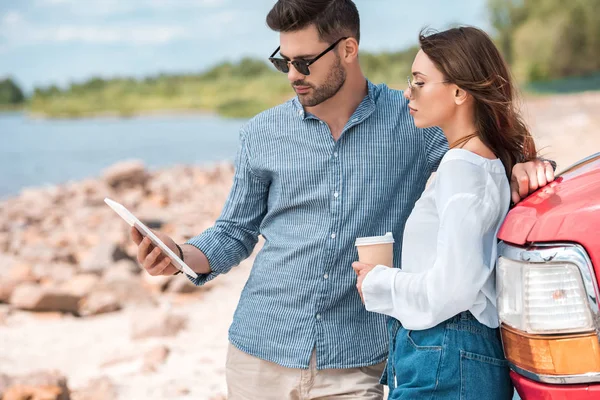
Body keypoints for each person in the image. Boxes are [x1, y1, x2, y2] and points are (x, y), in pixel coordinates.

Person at [131, 1, 553, 399]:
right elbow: (236, 231)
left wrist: (523, 166)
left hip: (359, 359)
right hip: (258, 353)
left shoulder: (412, 122)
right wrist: (183, 253)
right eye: (283, 61)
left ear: (348, 48)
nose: (293, 74)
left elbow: (478, 160)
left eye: (304, 62)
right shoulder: (261, 133)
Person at [353, 27, 536, 399]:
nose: (408, 92)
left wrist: (378, 281)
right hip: (454, 354)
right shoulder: (484, 162)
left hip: (446, 352)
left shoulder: (461, 166)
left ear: (458, 92)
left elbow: (452, 288)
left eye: (419, 82)